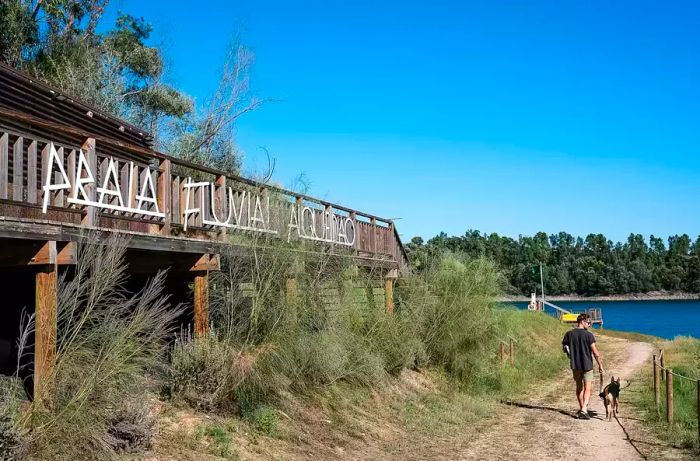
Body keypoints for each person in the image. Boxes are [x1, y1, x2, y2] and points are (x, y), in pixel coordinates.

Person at [562, 313, 603, 420]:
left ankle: (582, 410)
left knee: (579, 387)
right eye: (588, 323)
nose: (589, 325)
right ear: (582, 321)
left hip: (575, 365)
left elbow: (565, 348)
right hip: (587, 365)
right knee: (587, 388)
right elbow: (595, 353)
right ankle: (584, 409)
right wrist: (600, 365)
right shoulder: (589, 335)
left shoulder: (569, 334)